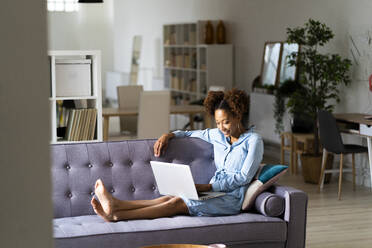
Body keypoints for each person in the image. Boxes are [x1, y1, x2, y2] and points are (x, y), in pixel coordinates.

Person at [91, 88, 264, 222]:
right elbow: (188, 134)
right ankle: (117, 205)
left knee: (176, 203)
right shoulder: (216, 135)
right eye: (218, 122)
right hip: (213, 193)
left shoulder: (253, 141)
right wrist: (169, 135)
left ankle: (117, 216)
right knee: (172, 197)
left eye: (226, 122)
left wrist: (207, 187)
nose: (221, 127)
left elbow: (243, 178)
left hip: (231, 199)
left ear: (237, 115)